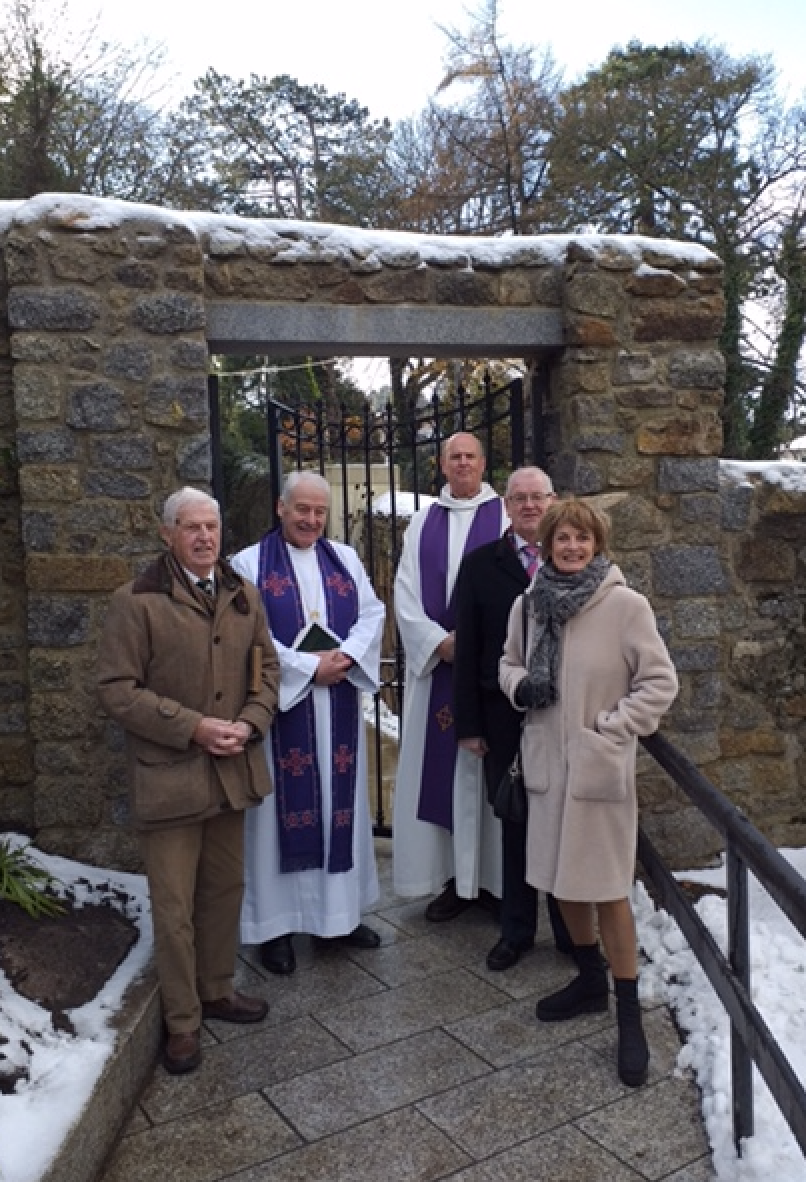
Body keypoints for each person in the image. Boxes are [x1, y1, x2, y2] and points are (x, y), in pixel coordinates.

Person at [97, 487, 280, 1076]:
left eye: (212, 526)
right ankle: (182, 1022)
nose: (205, 537)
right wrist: (195, 727)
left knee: (223, 890)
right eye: (191, 527)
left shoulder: (243, 594)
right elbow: (117, 691)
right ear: (167, 533)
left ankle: (218, 988)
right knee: (174, 907)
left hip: (231, 770)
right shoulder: (137, 602)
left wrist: (249, 725)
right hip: (170, 778)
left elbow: (268, 670)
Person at [499, 498, 678, 1087]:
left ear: (598, 545)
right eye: (561, 540)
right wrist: (524, 685)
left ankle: (629, 1016)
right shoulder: (528, 606)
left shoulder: (626, 606)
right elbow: (508, 665)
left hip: (598, 772)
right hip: (548, 768)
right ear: (546, 546)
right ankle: (587, 979)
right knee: (560, 880)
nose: (571, 548)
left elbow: (659, 683)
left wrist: (613, 727)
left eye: (582, 539)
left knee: (607, 891)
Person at [231, 471, 385, 975]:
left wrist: (344, 657)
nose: (311, 520)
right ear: (281, 507)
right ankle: (274, 928)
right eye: (302, 510)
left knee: (338, 807)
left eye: (320, 512)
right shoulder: (249, 564)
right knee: (277, 816)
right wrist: (306, 667)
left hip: (336, 703)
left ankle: (336, 920)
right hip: (284, 710)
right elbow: (243, 635)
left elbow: (372, 613)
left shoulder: (344, 558)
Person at [454, 466, 572, 971]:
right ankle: (517, 931)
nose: (529, 506)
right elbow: (469, 649)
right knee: (515, 823)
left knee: (565, 825)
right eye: (519, 498)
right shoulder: (481, 564)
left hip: (565, 719)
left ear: (553, 501)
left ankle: (572, 934)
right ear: (505, 506)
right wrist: (470, 726)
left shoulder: (573, 561)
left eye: (537, 497)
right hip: (502, 717)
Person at [393, 431, 507, 918]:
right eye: (453, 457)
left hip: (488, 675)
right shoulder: (422, 523)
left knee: (491, 774)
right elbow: (404, 593)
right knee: (441, 773)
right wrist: (438, 642)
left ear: (483, 464)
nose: (462, 464)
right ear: (442, 466)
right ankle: (452, 882)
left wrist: (479, 647)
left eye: (470, 457)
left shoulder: (505, 516)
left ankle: (496, 882)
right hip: (439, 667)